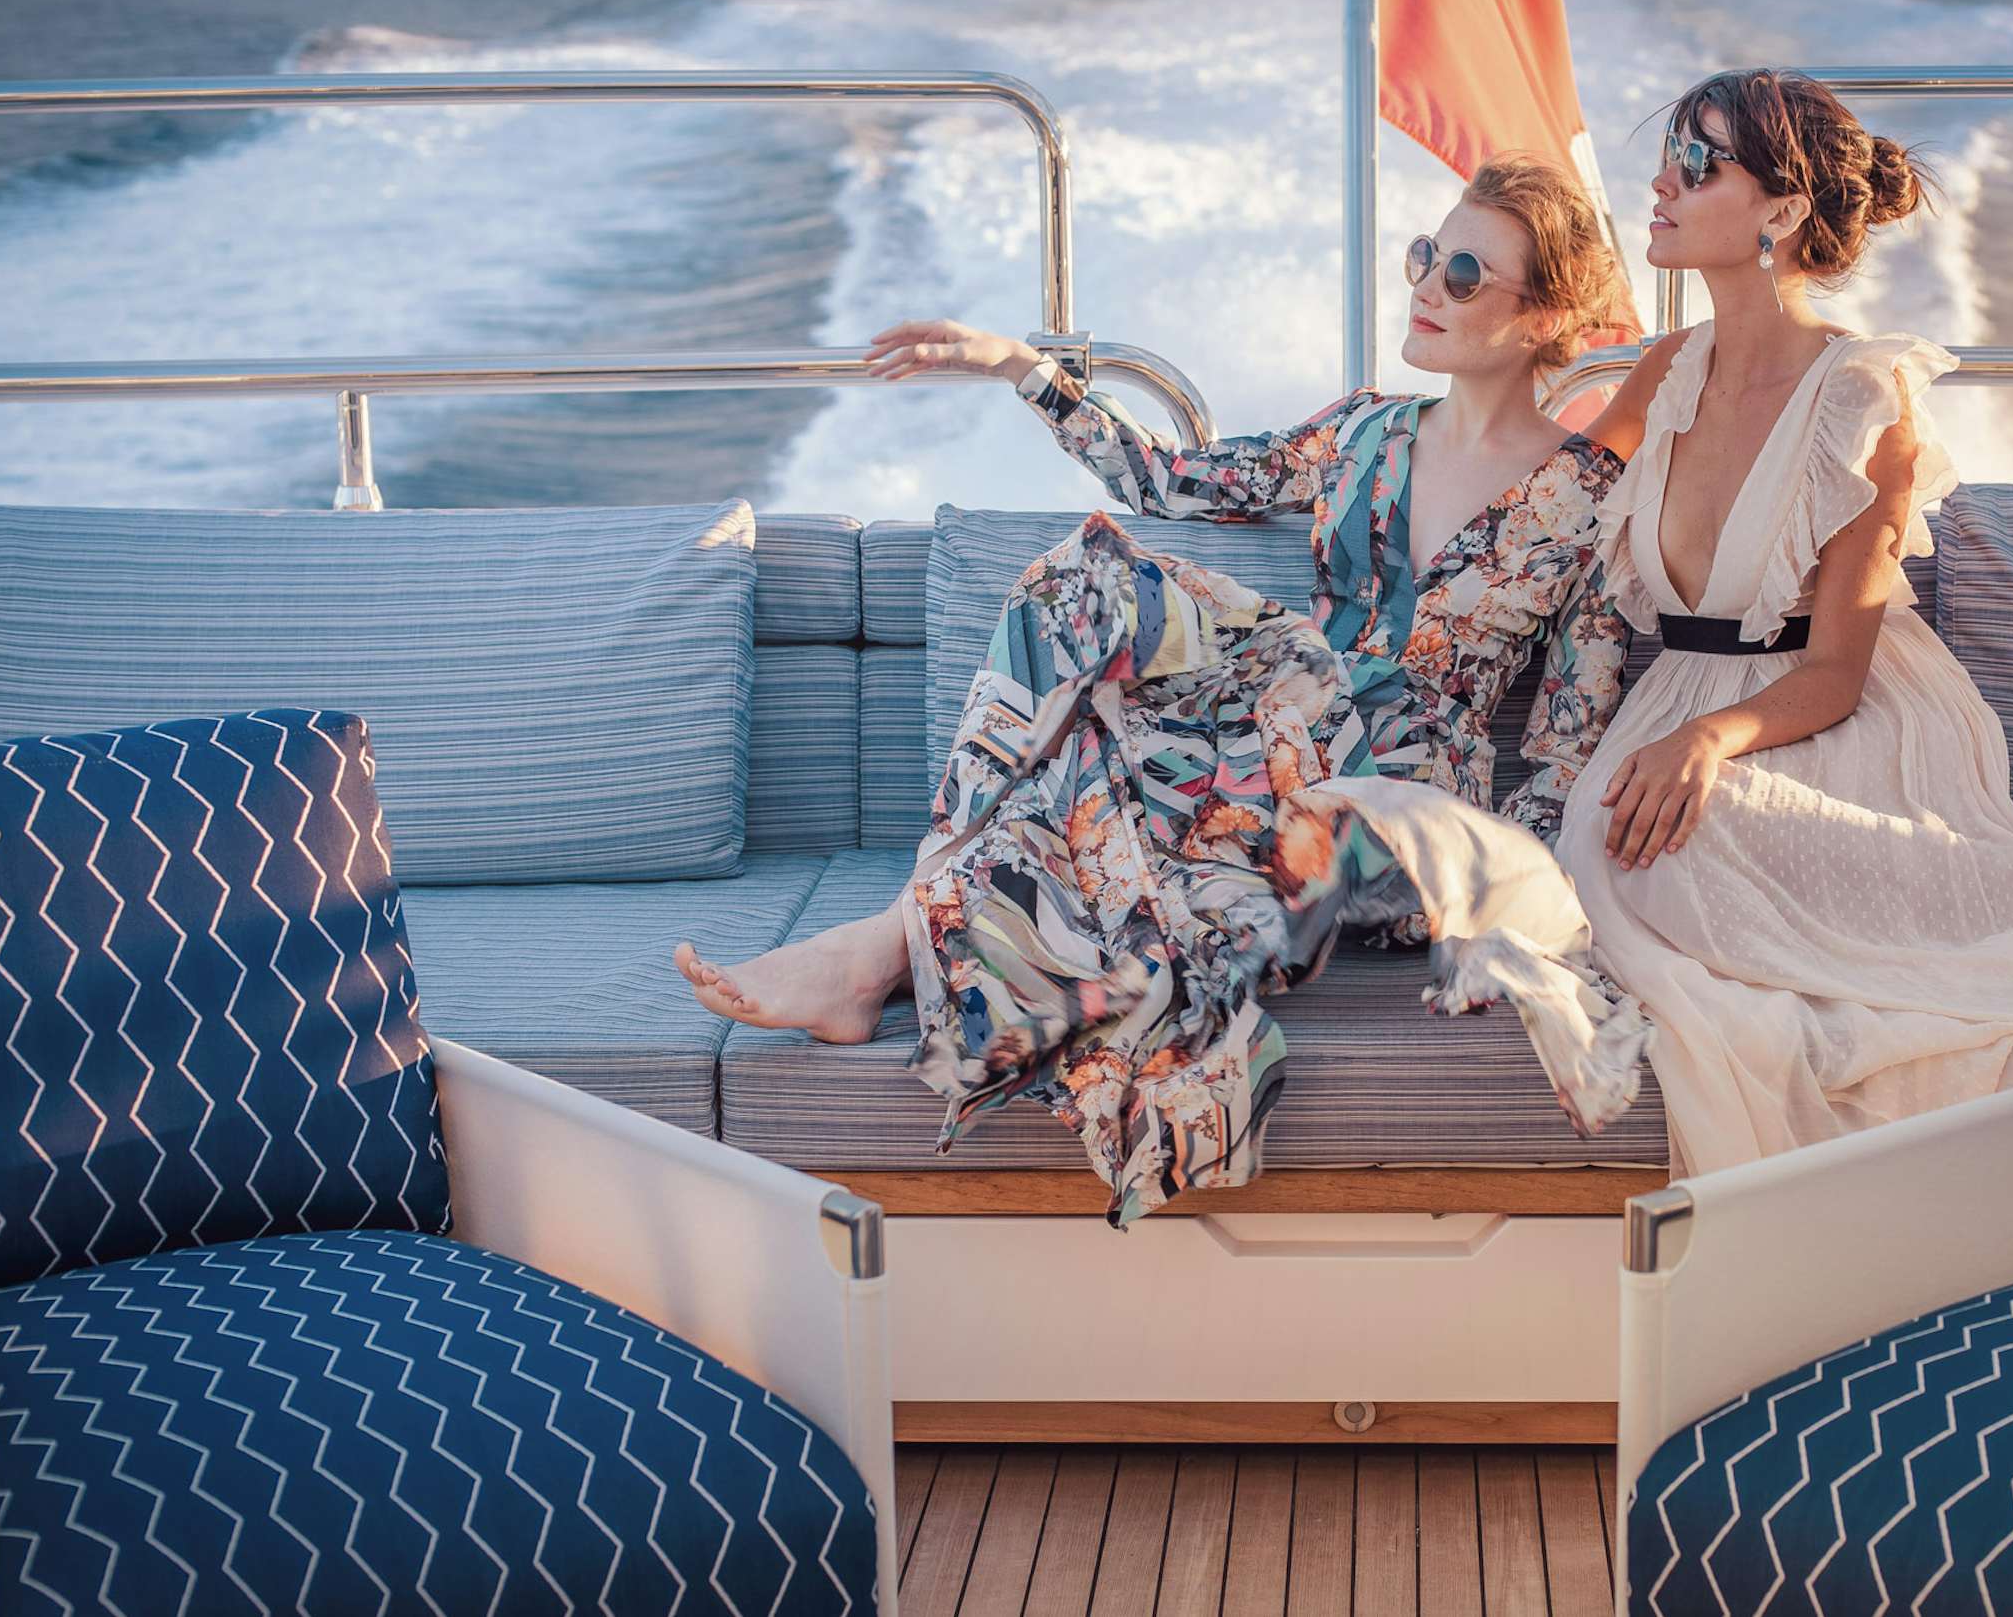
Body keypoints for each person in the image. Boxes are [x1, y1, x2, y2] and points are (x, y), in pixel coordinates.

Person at [676, 153, 1636, 1219]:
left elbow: (1564, 744)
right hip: (1258, 750)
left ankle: (879, 946)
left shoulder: (1595, 503)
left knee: (1101, 679)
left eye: (1463, 274)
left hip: (1392, 811)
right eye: (1423, 255)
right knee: (1069, 641)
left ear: (1542, 315)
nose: (1423, 285)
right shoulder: (1364, 429)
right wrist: (1020, 369)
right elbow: (1168, 482)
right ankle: (888, 947)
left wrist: (1497, 922)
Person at [1566, 70, 2013, 1175]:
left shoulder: (1862, 398)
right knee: (1619, 851)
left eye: (1696, 162)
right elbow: (1539, 510)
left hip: (1827, 719)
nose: (1659, 184)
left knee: (1669, 858)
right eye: (1669, 155)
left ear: (1778, 212)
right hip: (1677, 700)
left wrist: (1710, 740)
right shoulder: (1664, 369)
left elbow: (1836, 672)